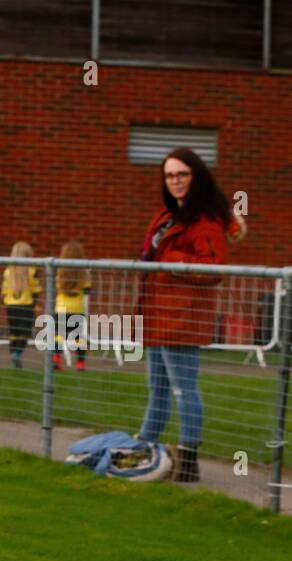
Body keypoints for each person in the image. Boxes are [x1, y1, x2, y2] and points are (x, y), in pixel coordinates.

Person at [133, 147, 232, 484]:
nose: (175, 181)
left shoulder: (204, 219)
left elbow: (214, 269)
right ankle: (145, 447)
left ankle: (189, 459)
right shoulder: (166, 215)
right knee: (157, 388)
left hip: (183, 316)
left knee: (182, 389)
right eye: (169, 175)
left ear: (196, 176)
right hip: (159, 312)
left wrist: (172, 262)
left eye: (182, 174)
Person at [54, 240, 92, 371]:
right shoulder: (84, 273)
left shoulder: (59, 271)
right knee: (78, 337)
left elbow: (56, 287)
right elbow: (88, 289)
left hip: (61, 307)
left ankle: (56, 359)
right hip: (77, 308)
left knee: (58, 335)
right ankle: (80, 363)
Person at [2, 242, 40, 368]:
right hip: (26, 306)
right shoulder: (31, 270)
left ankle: (13, 355)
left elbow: (4, 290)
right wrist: (36, 302)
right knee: (24, 333)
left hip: (11, 306)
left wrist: (6, 301)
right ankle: (17, 354)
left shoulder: (8, 271)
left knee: (14, 333)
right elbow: (35, 289)